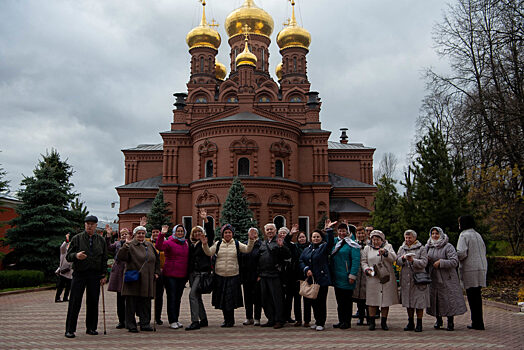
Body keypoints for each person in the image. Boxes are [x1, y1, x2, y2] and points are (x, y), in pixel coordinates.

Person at [201, 224, 256, 327]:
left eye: (229, 232)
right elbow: (209, 252)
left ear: (232, 234)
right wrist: (204, 245)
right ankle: (226, 319)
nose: (227, 234)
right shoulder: (218, 244)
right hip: (219, 276)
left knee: (230, 300)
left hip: (233, 276)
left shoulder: (236, 243)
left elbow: (248, 249)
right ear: (222, 234)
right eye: (225, 232)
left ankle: (230, 320)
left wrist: (251, 240)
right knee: (222, 300)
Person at [64, 215, 108, 338]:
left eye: (92, 224)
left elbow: (104, 258)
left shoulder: (101, 240)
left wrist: (104, 274)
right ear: (85, 225)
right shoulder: (77, 238)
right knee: (74, 302)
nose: (89, 226)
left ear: (95, 226)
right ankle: (70, 329)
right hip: (79, 274)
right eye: (87, 223)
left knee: (93, 302)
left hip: (95, 275)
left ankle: (91, 328)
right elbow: (68, 256)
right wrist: (76, 255)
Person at [117, 226, 160, 332]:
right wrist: (125, 245)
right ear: (135, 235)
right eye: (138, 233)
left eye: (143, 233)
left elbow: (156, 259)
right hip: (134, 277)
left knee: (146, 301)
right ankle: (131, 324)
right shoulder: (130, 245)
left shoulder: (149, 245)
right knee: (131, 302)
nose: (141, 235)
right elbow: (121, 257)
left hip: (147, 278)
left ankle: (145, 323)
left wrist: (156, 272)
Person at [426, 226, 467, 331]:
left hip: (447, 278)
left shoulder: (448, 246)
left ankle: (450, 322)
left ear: (441, 234)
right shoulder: (428, 246)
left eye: (437, 234)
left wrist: (441, 262)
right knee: (436, 300)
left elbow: (454, 261)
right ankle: (438, 320)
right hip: (434, 278)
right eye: (433, 234)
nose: (435, 236)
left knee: (449, 300)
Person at [299, 220, 337, 331]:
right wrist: (306, 269)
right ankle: (316, 320)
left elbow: (330, 243)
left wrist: (329, 230)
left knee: (321, 301)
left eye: (318, 237)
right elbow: (301, 260)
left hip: (321, 279)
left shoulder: (324, 247)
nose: (316, 238)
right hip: (311, 279)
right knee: (313, 302)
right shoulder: (307, 249)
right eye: (314, 237)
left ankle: (321, 322)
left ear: (321, 238)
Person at [361, 230, 399, 331]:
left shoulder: (388, 246)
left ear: (382, 240)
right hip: (373, 277)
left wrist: (386, 253)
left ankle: (384, 322)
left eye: (377, 239)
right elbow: (363, 261)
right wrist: (366, 269)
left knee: (385, 301)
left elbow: (394, 258)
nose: (375, 241)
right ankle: (372, 322)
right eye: (373, 239)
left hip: (386, 277)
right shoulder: (367, 248)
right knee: (372, 301)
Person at [256, 223, 290, 329]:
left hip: (275, 274)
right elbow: (258, 259)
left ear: (275, 231)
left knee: (277, 298)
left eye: (271, 229)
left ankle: (280, 320)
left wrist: (282, 247)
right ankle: (270, 319)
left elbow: (287, 255)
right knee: (265, 299)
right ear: (265, 232)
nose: (269, 231)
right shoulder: (263, 243)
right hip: (263, 275)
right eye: (267, 230)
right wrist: (258, 274)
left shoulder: (279, 241)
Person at [457, 215, 487, 330]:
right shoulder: (477, 234)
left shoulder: (464, 235)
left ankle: (476, 322)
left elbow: (462, 253)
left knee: (472, 296)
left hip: (470, 268)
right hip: (481, 267)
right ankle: (479, 321)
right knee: (477, 295)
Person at [156, 224, 189, 329]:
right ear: (174, 232)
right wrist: (162, 234)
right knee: (172, 297)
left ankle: (176, 318)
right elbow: (159, 246)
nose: (180, 233)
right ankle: (172, 320)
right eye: (178, 231)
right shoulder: (169, 242)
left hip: (182, 275)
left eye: (182, 231)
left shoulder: (186, 243)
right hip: (170, 274)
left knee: (178, 298)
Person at [186, 209, 214, 330]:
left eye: (199, 231)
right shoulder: (191, 244)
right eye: (195, 232)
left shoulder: (205, 242)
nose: (198, 233)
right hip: (192, 274)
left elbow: (211, 234)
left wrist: (205, 219)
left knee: (192, 295)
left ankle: (195, 321)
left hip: (201, 274)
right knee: (197, 297)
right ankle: (203, 319)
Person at [396, 229, 430, 332]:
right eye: (406, 238)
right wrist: (402, 259)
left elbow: (424, 262)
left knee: (419, 302)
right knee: (408, 302)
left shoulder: (422, 248)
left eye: (410, 237)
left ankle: (419, 323)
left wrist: (413, 260)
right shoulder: (402, 248)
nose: (408, 240)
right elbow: (397, 261)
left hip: (418, 279)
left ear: (415, 238)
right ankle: (410, 322)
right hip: (406, 279)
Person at [330, 223, 360, 329]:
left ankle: (346, 321)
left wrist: (352, 275)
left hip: (347, 276)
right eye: (340, 231)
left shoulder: (352, 244)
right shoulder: (335, 242)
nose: (342, 233)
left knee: (346, 301)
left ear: (347, 232)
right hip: (337, 276)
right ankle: (341, 320)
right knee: (339, 301)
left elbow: (356, 260)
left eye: (344, 231)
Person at [106, 227, 130, 329]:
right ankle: (121, 320)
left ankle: (129, 319)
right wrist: (108, 236)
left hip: (129, 270)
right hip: (119, 271)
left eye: (126, 234)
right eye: (122, 234)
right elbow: (108, 247)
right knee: (119, 298)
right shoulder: (116, 244)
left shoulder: (132, 243)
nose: (124, 236)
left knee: (129, 298)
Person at [279, 225, 301, 325]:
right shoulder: (278, 244)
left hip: (292, 275)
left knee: (293, 297)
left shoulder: (293, 245)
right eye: (281, 233)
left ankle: (293, 317)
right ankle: (283, 316)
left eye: (285, 233)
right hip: (282, 275)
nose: (283, 235)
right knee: (283, 297)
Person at [240, 227, 262, 326]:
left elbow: (263, 261)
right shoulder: (244, 244)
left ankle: (257, 318)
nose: (253, 235)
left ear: (257, 234)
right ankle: (249, 317)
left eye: (254, 233)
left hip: (257, 276)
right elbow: (240, 259)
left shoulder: (261, 245)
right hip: (246, 276)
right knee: (247, 298)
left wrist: (260, 274)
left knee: (257, 298)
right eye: (250, 233)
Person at [148, 226, 166, 326]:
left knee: (159, 296)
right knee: (147, 296)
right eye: (153, 232)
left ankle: (157, 317)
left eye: (157, 232)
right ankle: (146, 317)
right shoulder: (148, 242)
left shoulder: (164, 243)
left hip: (161, 272)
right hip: (149, 272)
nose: (155, 234)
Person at [352, 225, 369, 325]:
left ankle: (369, 317)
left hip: (367, 273)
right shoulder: (353, 244)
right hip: (357, 273)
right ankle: (361, 316)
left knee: (367, 296)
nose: (361, 235)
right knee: (358, 297)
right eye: (358, 233)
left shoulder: (369, 244)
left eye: (362, 233)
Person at [295, 231, 311, 328]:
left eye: (303, 237)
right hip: (297, 276)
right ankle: (298, 319)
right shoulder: (295, 247)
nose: (302, 239)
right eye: (300, 237)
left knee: (307, 299)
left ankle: (307, 320)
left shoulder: (310, 247)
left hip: (307, 276)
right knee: (297, 300)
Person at [55, 233, 73, 303]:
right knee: (61, 286)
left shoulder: (72, 253)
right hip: (63, 272)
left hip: (70, 273)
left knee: (68, 287)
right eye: (69, 245)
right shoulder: (64, 252)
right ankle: (57, 298)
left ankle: (66, 297)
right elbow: (62, 247)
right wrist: (67, 240)